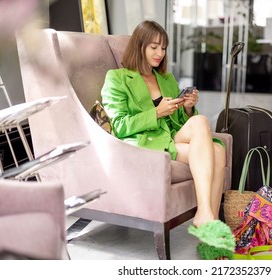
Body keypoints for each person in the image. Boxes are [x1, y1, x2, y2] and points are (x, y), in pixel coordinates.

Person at [101, 20, 235, 259]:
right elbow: (118, 126)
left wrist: (188, 109)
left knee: (202, 124)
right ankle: (209, 227)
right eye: (154, 47)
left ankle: (205, 218)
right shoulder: (118, 78)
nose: (160, 53)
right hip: (144, 143)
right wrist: (157, 112)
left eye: (163, 48)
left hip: (170, 138)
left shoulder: (167, 80)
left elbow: (179, 126)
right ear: (140, 46)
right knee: (216, 152)